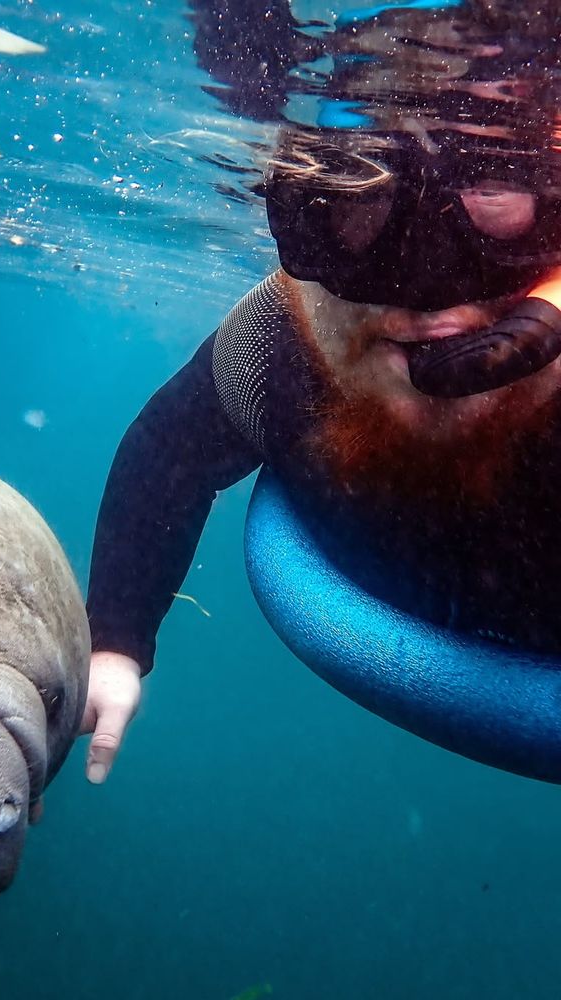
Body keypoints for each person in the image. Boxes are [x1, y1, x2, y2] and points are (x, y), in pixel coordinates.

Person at [79, 1, 561, 784]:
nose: (432, 293)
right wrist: (115, 642)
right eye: (354, 210)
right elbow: (166, 452)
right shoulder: (273, 344)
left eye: (497, 196)